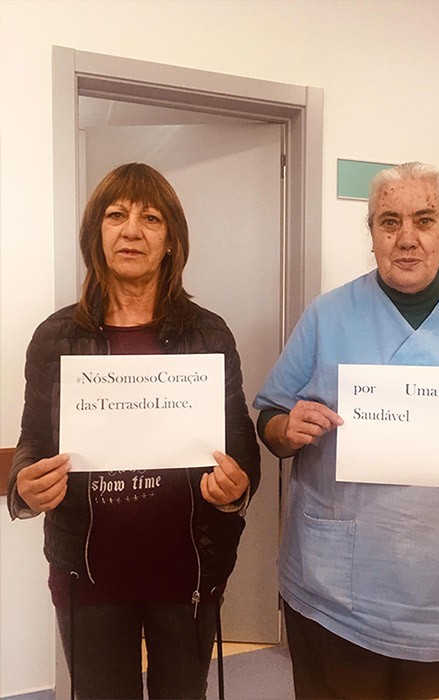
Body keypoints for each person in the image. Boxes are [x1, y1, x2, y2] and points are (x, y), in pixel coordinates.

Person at [254, 162, 439, 700]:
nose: (406, 238)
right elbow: (270, 419)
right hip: (339, 592)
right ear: (372, 232)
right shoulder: (328, 315)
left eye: (424, 220)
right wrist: (288, 426)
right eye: (389, 221)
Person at [7, 163, 260, 699]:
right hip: (89, 574)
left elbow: (240, 445)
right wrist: (24, 485)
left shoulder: (209, 334)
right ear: (95, 234)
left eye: (151, 218)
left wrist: (237, 488)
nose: (132, 231)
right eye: (116, 215)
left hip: (187, 570)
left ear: (171, 241)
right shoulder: (55, 337)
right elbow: (33, 440)